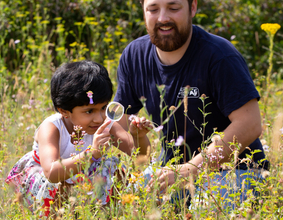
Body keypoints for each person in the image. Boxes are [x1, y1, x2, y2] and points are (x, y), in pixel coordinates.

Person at [114, 0, 269, 209]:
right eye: (153, 9)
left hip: (235, 171)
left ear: (193, 7)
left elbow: (249, 124)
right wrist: (133, 140)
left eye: (174, 8)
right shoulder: (134, 55)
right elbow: (117, 119)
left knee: (203, 208)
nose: (162, 18)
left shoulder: (219, 55)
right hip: (169, 171)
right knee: (122, 202)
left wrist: (190, 169)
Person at [5, 60, 149, 217]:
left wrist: (138, 136)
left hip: (83, 175)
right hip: (52, 179)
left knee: (117, 172)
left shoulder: (106, 124)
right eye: (89, 111)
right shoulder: (52, 127)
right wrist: (92, 153)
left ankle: (106, 214)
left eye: (103, 108)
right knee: (62, 184)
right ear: (64, 111)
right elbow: (52, 172)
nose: (99, 118)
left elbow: (142, 157)